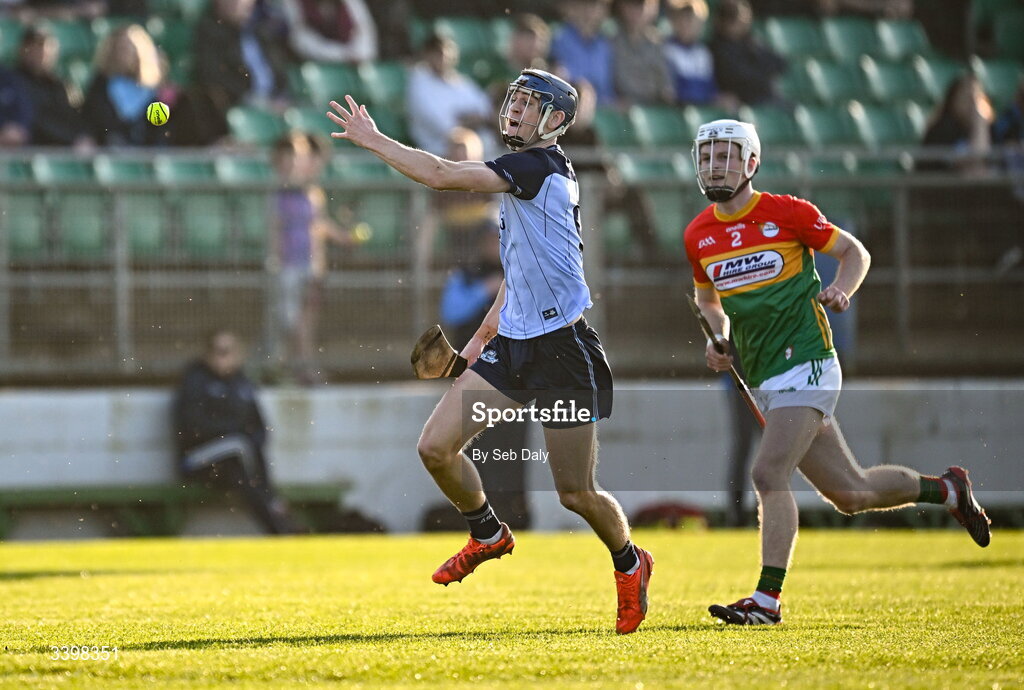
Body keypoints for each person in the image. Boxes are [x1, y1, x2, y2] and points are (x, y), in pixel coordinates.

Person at [327, 68, 654, 634]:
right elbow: (521, 272)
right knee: (435, 448)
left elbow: (441, 174)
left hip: (563, 352)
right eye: (515, 102)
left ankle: (631, 561)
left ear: (555, 122)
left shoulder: (538, 166)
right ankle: (487, 533)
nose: (516, 112)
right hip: (515, 345)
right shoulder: (524, 178)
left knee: (575, 492)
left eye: (530, 107)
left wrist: (373, 138)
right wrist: (482, 338)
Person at [683, 119, 991, 625]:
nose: (714, 166)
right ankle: (949, 490)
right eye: (707, 157)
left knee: (766, 472)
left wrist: (844, 287)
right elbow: (707, 301)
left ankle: (766, 600)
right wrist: (719, 339)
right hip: (764, 377)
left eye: (726, 156)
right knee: (853, 493)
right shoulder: (698, 234)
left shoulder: (787, 213)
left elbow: (854, 252)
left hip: (809, 362)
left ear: (751, 164)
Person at [173, 330, 300, 534]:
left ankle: (280, 528)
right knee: (240, 445)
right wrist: (233, 431)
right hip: (198, 461)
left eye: (227, 351)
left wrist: (246, 437)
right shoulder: (196, 381)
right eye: (217, 351)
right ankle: (275, 511)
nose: (222, 357)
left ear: (238, 354)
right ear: (207, 354)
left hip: (234, 464)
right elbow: (193, 427)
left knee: (242, 475)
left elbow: (260, 428)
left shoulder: (243, 384)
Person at [270, 131, 353, 385]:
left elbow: (317, 224)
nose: (298, 161)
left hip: (310, 264)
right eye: (292, 156)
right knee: (290, 320)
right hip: (286, 265)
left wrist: (342, 237)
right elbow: (274, 226)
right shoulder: (278, 188)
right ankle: (296, 368)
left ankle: (303, 368)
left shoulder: (311, 190)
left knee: (306, 320)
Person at [405, 33, 494, 157]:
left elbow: (484, 109)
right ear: (426, 54)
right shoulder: (419, 83)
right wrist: (469, 120)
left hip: (474, 141)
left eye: (447, 51)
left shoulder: (460, 80)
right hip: (436, 150)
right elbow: (443, 125)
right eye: (437, 52)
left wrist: (469, 119)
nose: (443, 57)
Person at [82, 24, 167, 147]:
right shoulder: (100, 85)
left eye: (130, 48)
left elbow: (159, 127)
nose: (125, 54)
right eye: (120, 48)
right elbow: (96, 121)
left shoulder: (152, 92)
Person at [15, 25, 92, 147]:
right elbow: (36, 120)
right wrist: (71, 140)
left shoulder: (61, 85)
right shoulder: (14, 83)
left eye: (48, 47)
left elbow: (77, 116)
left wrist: (83, 136)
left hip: (68, 150)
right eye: (37, 46)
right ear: (24, 49)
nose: (43, 52)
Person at [709, 0, 788, 107]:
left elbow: (780, 62)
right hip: (745, 100)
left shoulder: (751, 42)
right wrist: (763, 75)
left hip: (764, 96)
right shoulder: (718, 48)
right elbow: (739, 78)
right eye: (734, 19)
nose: (742, 24)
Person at [550, 0, 616, 106]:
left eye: (597, 5)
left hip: (602, 110)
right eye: (585, 4)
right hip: (569, 106)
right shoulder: (558, 37)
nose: (590, 10)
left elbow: (607, 90)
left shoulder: (604, 45)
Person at [610, 0, 673, 107]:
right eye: (631, 5)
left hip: (653, 106)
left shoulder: (658, 44)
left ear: (653, 9)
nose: (635, 11)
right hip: (623, 108)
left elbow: (665, 88)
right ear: (622, 7)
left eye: (641, 6)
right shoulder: (612, 42)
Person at [280, 0, 378, 64]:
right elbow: (300, 40)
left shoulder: (351, 2)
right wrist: (340, 55)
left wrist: (358, 54)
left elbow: (366, 32)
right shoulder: (293, 3)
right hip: (319, 65)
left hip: (356, 61)